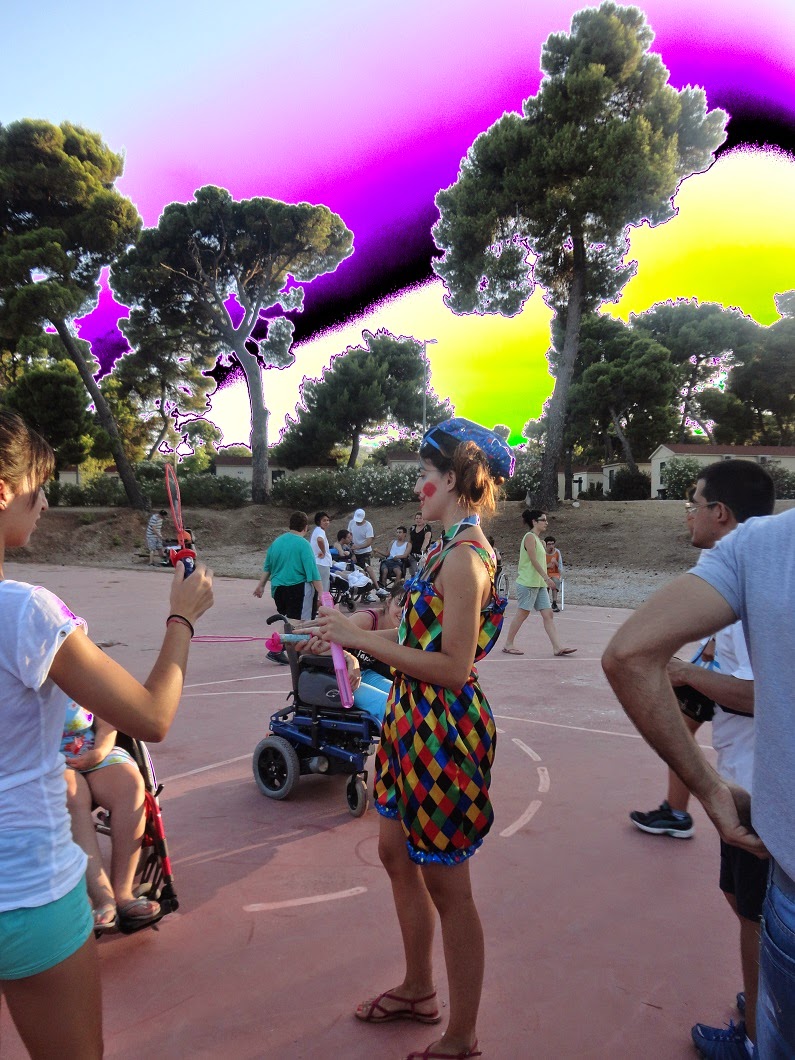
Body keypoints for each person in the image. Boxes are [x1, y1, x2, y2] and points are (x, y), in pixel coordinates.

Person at [0, 409, 214, 1059]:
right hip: (26, 890)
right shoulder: (26, 613)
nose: (44, 503)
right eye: (38, 488)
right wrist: (182, 617)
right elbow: (151, 715)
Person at [315, 417, 514, 1060]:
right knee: (396, 854)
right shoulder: (439, 548)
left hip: (443, 733)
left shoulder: (465, 559)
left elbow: (454, 667)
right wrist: (348, 628)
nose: (416, 486)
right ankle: (419, 988)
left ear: (452, 479)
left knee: (449, 887)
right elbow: (405, 628)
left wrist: (362, 641)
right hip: (410, 722)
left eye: (424, 475)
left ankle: (461, 1035)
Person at [602, 499, 795, 1056]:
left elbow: (630, 655)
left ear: (721, 511)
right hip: (753, 798)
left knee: (753, 916)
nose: (687, 515)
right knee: (744, 907)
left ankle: (756, 1031)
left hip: (764, 812)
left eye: (694, 504)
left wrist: (708, 787)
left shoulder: (763, 551)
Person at [62, 701, 160, 932]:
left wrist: (99, 752)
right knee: (72, 794)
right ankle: (103, 899)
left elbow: (106, 724)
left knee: (130, 786)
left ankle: (123, 893)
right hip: (47, 760)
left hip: (93, 749)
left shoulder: (79, 679)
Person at [501, 509, 576, 657]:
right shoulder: (529, 537)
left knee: (548, 614)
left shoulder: (539, 540)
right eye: (543, 520)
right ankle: (508, 644)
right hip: (528, 582)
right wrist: (547, 578)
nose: (546, 523)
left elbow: (542, 562)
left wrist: (545, 579)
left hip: (539, 583)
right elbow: (533, 561)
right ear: (534, 522)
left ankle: (557, 647)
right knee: (523, 613)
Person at [253, 511, 322, 662]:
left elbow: (268, 567)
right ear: (305, 527)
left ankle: (293, 649)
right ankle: (276, 647)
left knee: (293, 621)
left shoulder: (277, 542)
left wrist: (261, 585)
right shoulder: (303, 544)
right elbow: (312, 572)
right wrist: (322, 593)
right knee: (300, 623)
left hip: (278, 589)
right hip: (298, 588)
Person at [347, 507, 380, 599]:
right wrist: (352, 550)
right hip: (354, 551)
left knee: (367, 568)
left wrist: (359, 547)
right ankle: (366, 591)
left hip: (365, 551)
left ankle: (376, 588)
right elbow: (349, 536)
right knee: (359, 571)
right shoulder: (351, 523)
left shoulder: (368, 526)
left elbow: (369, 541)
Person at [310, 511, 333, 593]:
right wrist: (324, 552)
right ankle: (322, 601)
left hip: (317, 563)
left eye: (327, 520)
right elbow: (320, 540)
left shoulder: (317, 530)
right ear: (318, 522)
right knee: (323, 589)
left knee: (316, 589)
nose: (327, 522)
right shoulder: (320, 531)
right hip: (322, 563)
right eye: (324, 520)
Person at [407, 509, 433, 576]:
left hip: (422, 553)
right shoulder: (412, 528)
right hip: (412, 552)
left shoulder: (427, 528)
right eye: (417, 518)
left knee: (421, 571)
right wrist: (407, 549)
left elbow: (427, 538)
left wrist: (423, 548)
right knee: (413, 571)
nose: (418, 520)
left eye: (420, 518)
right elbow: (410, 540)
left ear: (424, 519)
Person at [544, 535, 564, 611]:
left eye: (552, 544)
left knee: (555, 582)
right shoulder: (542, 552)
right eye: (549, 544)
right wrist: (547, 566)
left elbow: (561, 567)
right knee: (546, 583)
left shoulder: (557, 552)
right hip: (545, 574)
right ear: (546, 545)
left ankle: (554, 603)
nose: (551, 546)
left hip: (555, 574)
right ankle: (546, 602)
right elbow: (539, 565)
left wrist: (556, 563)